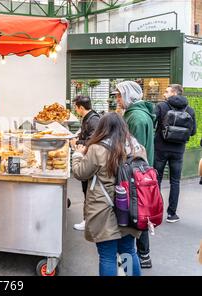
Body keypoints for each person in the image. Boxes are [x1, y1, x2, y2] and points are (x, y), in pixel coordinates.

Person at [72, 112, 145, 276]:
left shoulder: (97, 149)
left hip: (104, 210)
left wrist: (77, 154)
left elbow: (79, 173)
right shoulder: (137, 147)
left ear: (103, 128)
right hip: (131, 208)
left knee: (107, 257)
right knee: (128, 251)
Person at [114, 80, 155, 269]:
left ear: (128, 95)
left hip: (136, 175)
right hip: (141, 173)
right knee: (140, 210)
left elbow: (133, 150)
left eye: (119, 95)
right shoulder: (135, 114)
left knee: (138, 212)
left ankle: (142, 254)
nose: (117, 99)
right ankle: (141, 254)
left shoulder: (136, 118)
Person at [154, 84, 197, 223]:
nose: (164, 94)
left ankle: (155, 211)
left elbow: (153, 123)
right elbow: (193, 131)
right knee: (175, 182)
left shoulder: (161, 107)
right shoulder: (189, 110)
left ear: (174, 93)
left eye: (167, 91)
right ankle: (172, 214)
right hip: (178, 150)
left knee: (157, 180)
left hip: (160, 148)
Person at [70, 96, 100, 231]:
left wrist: (76, 143)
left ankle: (88, 221)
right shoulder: (89, 118)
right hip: (88, 159)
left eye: (75, 107)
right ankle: (88, 219)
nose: (75, 110)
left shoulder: (93, 120)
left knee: (88, 190)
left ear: (81, 107)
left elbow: (92, 141)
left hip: (89, 160)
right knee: (87, 190)